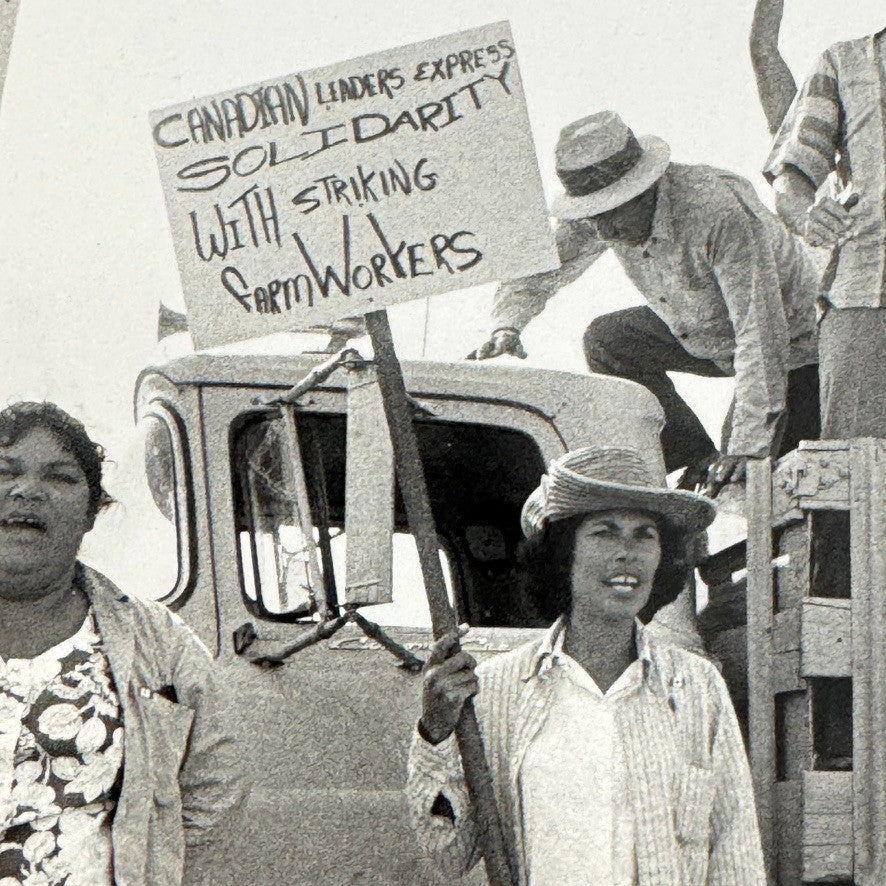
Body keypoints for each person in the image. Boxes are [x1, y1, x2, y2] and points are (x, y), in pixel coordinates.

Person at [406, 446, 766, 885]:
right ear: (563, 553)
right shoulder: (496, 688)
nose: (627, 553)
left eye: (645, 534)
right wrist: (436, 731)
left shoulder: (696, 685)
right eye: (604, 532)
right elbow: (448, 854)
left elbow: (736, 856)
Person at [469, 111, 821, 496]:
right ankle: (691, 455)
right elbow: (540, 269)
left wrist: (746, 447)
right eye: (592, 217)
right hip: (705, 331)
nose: (602, 231)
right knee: (609, 340)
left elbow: (761, 330)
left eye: (610, 214)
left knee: (747, 478)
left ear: (644, 189)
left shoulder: (715, 209)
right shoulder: (599, 215)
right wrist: (507, 324)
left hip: (793, 345)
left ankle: (730, 459)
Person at [0, 401, 247, 885]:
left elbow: (215, 793)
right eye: (5, 470)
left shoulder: (162, 644)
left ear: (92, 513)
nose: (27, 491)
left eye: (60, 477)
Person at [764, 26, 886, 440]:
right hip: (864, 294)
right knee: (855, 470)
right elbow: (792, 176)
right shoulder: (843, 61)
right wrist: (805, 216)